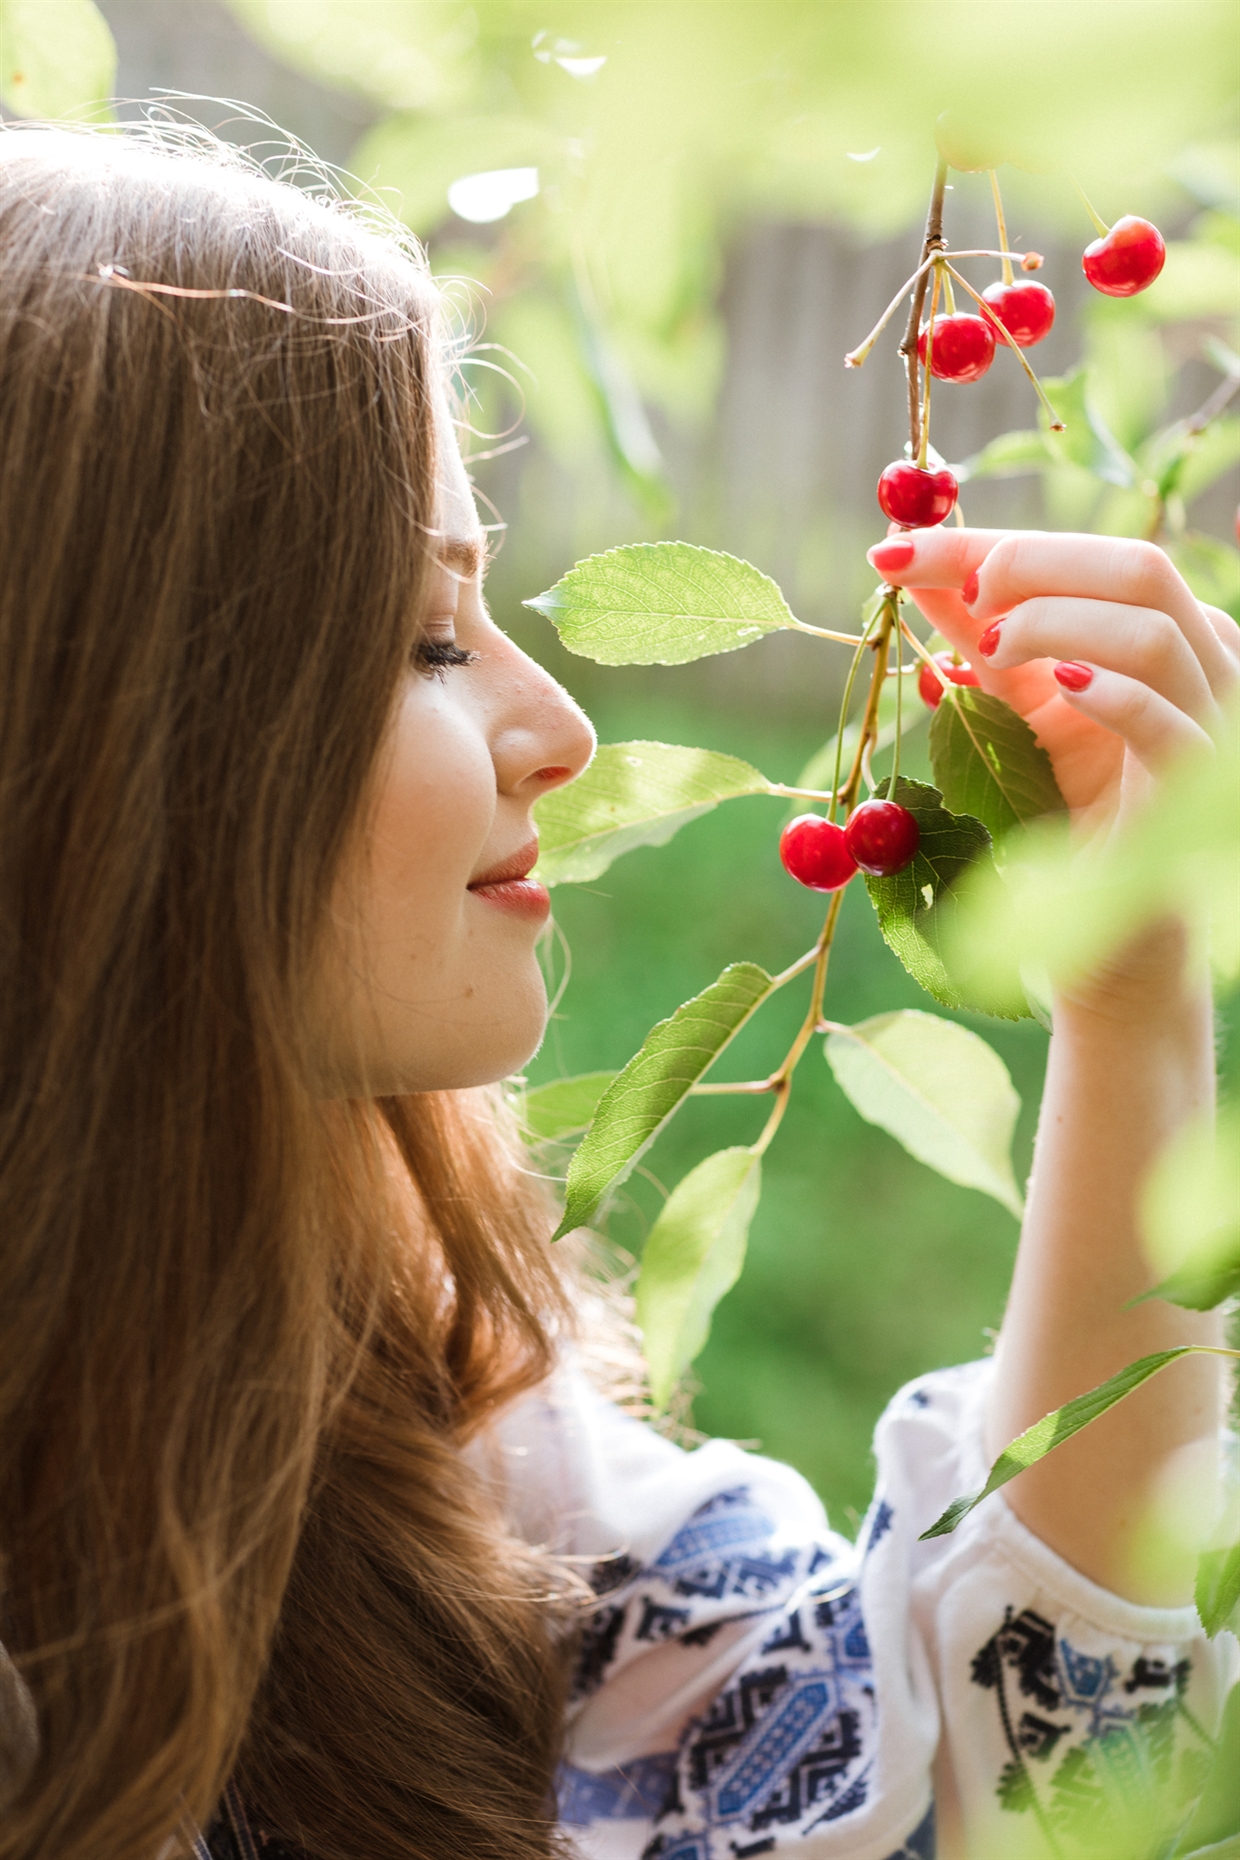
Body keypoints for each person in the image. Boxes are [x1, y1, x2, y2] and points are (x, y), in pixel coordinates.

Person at [0, 122, 1234, 1860]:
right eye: (428, 640)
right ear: (112, 732)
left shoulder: (413, 1424)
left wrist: (1135, 1001)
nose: (562, 729)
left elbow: (1015, 1792)